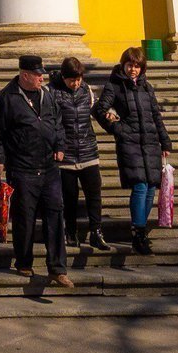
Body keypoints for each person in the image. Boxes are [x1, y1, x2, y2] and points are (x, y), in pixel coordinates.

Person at [0, 53, 72, 286]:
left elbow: (58, 124)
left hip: (49, 167)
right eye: (38, 74)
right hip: (22, 168)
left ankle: (57, 268)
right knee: (24, 218)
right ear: (25, 75)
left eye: (42, 74)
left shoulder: (48, 96)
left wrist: (60, 145)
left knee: (55, 215)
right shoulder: (7, 98)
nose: (42, 78)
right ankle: (24, 262)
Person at [95, 45, 173, 254]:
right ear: (123, 65)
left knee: (149, 188)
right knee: (139, 186)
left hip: (150, 143)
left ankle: (140, 230)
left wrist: (165, 142)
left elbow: (156, 116)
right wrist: (118, 129)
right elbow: (100, 109)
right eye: (130, 65)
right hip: (129, 143)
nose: (133, 70)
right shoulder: (115, 85)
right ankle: (138, 232)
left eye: (137, 66)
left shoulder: (147, 87)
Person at [52, 55, 107, 251]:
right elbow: (52, 124)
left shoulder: (87, 91)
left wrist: (110, 115)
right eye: (71, 80)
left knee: (94, 194)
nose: (75, 84)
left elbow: (97, 111)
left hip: (88, 151)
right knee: (69, 196)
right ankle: (71, 231)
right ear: (63, 77)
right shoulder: (53, 93)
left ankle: (96, 231)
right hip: (66, 155)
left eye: (78, 79)